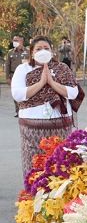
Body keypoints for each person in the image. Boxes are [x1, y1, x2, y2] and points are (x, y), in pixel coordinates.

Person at [12, 36, 79, 176]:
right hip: (32, 129)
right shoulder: (23, 69)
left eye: (46, 48)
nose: (43, 51)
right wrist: (41, 83)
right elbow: (18, 94)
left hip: (61, 126)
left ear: (52, 51)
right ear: (32, 52)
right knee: (35, 166)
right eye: (38, 49)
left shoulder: (62, 68)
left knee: (60, 165)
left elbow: (73, 93)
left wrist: (53, 83)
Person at [6, 35, 28, 117]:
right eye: (13, 40)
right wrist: (7, 77)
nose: (14, 42)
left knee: (25, 93)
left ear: (21, 41)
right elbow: (7, 65)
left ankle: (24, 109)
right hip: (13, 75)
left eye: (16, 40)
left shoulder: (28, 51)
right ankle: (18, 110)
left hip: (25, 76)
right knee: (15, 94)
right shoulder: (10, 52)